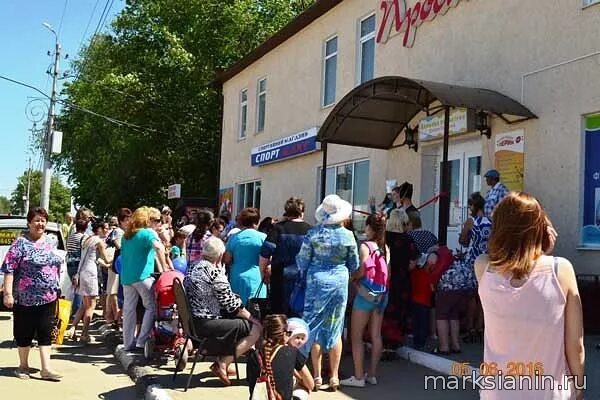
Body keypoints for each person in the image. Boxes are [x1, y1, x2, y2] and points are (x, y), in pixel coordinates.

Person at [475, 192, 584, 400]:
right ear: (542, 228)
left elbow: (501, 258)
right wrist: (578, 388)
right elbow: (575, 345)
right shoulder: (561, 271)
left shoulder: (483, 268)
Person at [296, 194, 359, 392]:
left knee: (314, 328)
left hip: (316, 282)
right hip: (339, 282)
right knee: (335, 328)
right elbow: (354, 264)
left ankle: (315, 375)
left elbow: (302, 261)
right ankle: (334, 376)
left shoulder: (313, 234)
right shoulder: (348, 236)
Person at [183, 237, 262, 386]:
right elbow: (233, 306)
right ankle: (223, 363)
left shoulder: (193, 267)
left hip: (193, 322)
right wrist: (253, 319)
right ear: (220, 255)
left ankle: (225, 360)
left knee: (236, 322)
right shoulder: (214, 273)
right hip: (207, 323)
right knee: (255, 329)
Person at [1, 207, 63, 381]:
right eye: (36, 220)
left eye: (43, 220)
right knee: (24, 332)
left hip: (48, 296)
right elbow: (9, 269)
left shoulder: (51, 241)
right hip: (25, 298)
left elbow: (55, 266)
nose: (40, 223)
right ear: (29, 223)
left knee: (45, 332)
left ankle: (46, 368)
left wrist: (57, 287)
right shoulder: (20, 243)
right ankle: (23, 366)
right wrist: (8, 294)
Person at [341, 214, 389, 388]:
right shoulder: (385, 248)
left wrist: (352, 278)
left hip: (365, 295)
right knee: (376, 335)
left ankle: (359, 376)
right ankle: (372, 374)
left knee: (356, 336)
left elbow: (361, 270)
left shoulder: (365, 246)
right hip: (382, 295)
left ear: (370, 228)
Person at [120, 207, 171, 352]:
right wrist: (165, 269)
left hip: (127, 277)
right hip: (143, 276)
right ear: (147, 220)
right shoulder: (148, 233)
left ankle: (128, 343)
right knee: (151, 307)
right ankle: (141, 341)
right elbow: (159, 248)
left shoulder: (127, 235)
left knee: (129, 310)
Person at [259, 197, 312, 316]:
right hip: (304, 279)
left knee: (279, 315)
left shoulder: (278, 228)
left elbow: (265, 254)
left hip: (280, 278)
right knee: (300, 315)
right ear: (302, 212)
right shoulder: (311, 230)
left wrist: (263, 273)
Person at [247, 314, 314, 400]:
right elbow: (311, 384)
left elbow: (251, 385)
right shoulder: (292, 352)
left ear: (265, 333)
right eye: (288, 333)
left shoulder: (253, 355)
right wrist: (300, 381)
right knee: (304, 388)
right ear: (284, 334)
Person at [70, 219, 111, 343]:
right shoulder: (98, 241)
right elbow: (107, 259)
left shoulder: (86, 239)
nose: (107, 231)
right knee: (91, 306)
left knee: (84, 304)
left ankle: (72, 328)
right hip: (91, 273)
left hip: (82, 272)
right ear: (98, 229)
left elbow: (93, 258)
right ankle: (84, 334)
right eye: (105, 228)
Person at [458, 192, 491, 343]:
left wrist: (464, 235)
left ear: (473, 206)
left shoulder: (471, 222)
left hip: (473, 260)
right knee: (483, 296)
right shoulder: (491, 222)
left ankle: (470, 328)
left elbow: (463, 241)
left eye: (470, 205)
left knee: (472, 296)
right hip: (487, 261)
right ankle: (480, 327)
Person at [384, 208, 419, 347]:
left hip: (385, 280)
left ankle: (384, 341)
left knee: (385, 312)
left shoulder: (384, 238)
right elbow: (413, 264)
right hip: (402, 279)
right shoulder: (407, 239)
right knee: (400, 311)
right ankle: (395, 341)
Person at [223, 208, 267, 304]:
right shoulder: (263, 237)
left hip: (237, 277)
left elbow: (227, 259)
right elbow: (268, 259)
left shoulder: (234, 237)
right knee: (257, 309)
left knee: (238, 309)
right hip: (257, 277)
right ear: (257, 222)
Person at [66, 219, 88, 318]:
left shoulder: (70, 237)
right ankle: (76, 312)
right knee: (79, 289)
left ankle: (73, 311)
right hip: (78, 265)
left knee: (74, 287)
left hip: (69, 263)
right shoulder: (83, 237)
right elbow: (84, 252)